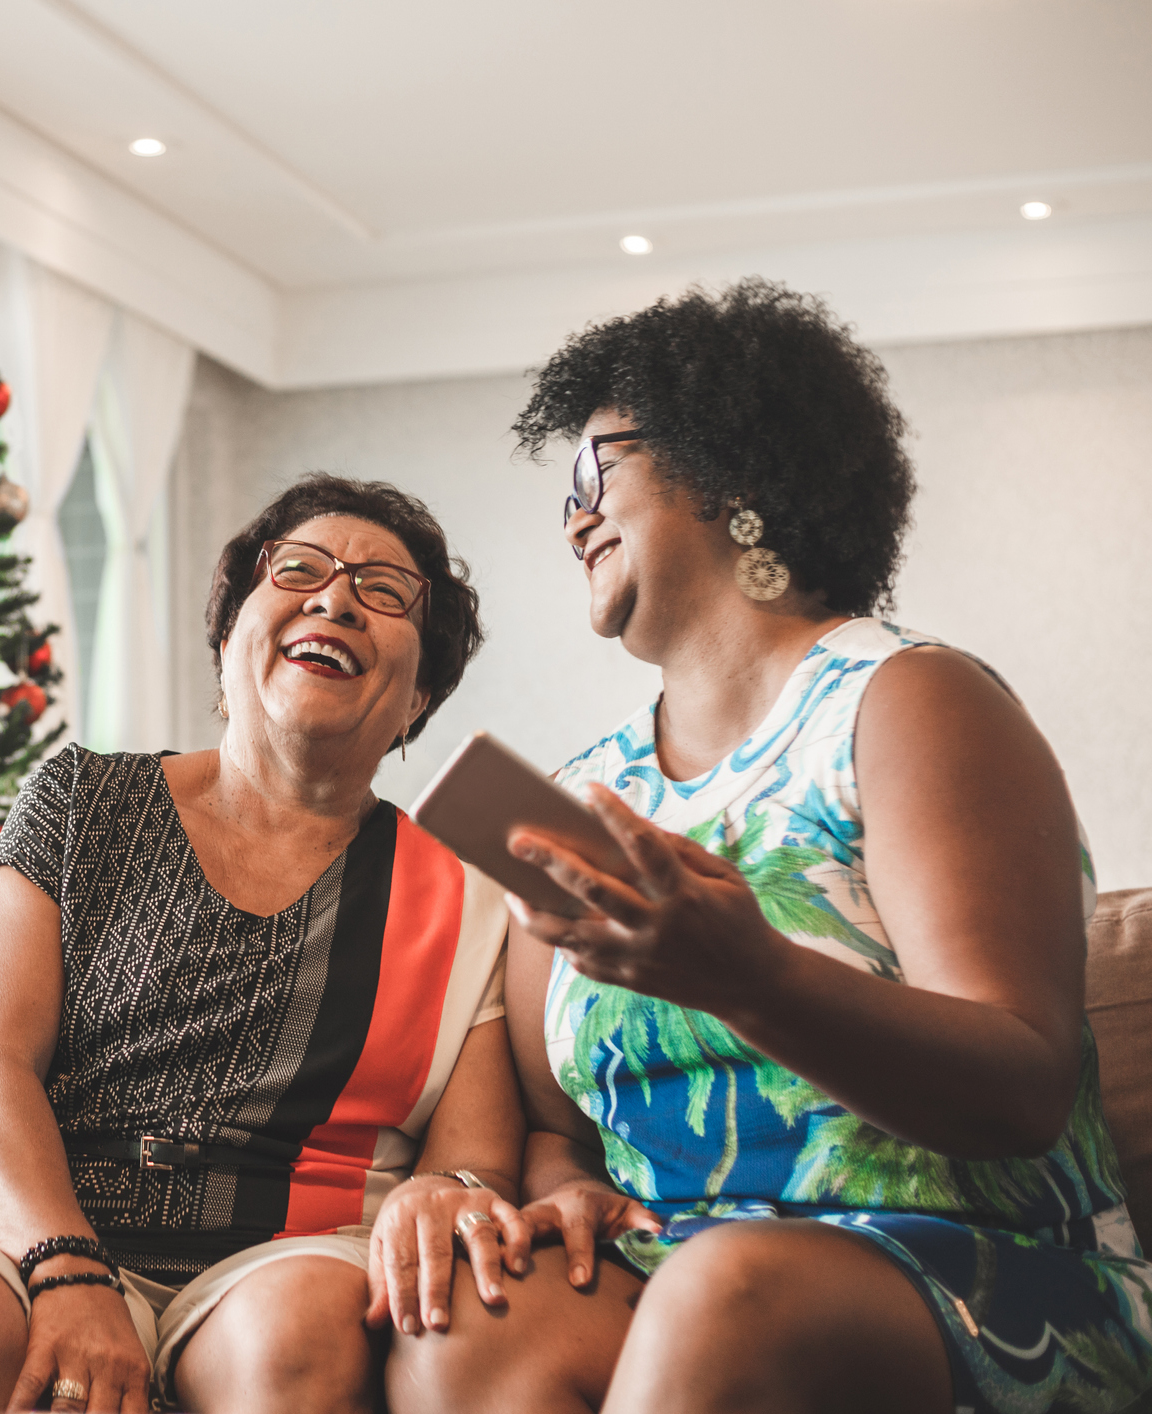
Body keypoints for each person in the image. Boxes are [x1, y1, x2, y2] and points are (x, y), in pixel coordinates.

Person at [425, 278, 1152, 1414]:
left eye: (594, 473)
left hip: (988, 1273)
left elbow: (1022, 1090)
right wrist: (565, 1190)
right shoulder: (585, 791)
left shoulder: (909, 700)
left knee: (727, 1292)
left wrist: (750, 976)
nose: (571, 518)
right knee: (472, 1326)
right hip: (678, 1265)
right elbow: (558, 1130)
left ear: (734, 471)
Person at [0, 476, 533, 1414]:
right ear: (227, 640)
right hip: (47, 1229)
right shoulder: (81, 803)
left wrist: (451, 1188)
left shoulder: (468, 891)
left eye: (383, 592)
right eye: (297, 570)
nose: (334, 598)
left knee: (298, 1332)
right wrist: (66, 1269)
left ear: (418, 697)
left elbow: (475, 1160)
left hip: (297, 1257)